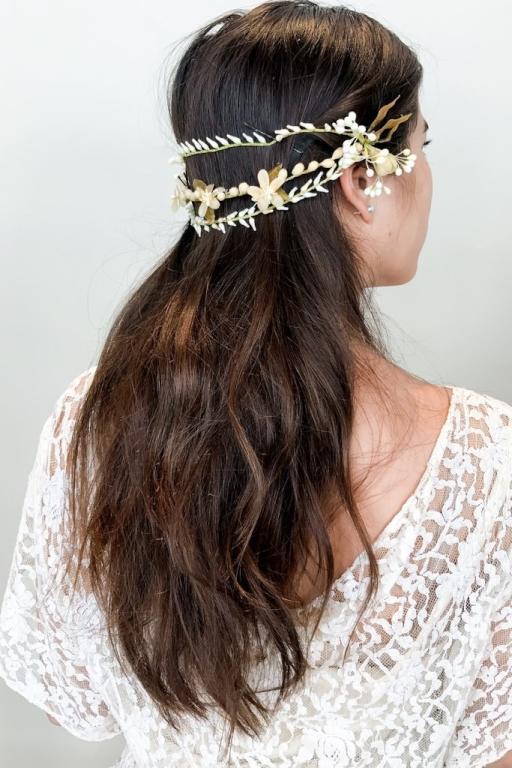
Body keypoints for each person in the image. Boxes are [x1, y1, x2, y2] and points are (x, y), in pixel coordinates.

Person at [1, 2, 511, 766]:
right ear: (361, 179)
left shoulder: (98, 417)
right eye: (421, 145)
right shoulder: (490, 464)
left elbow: (78, 697)